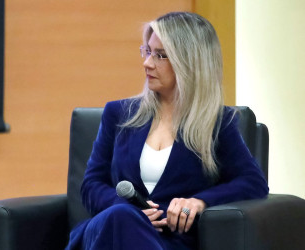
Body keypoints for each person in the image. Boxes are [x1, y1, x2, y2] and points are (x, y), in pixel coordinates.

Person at [66, 12, 269, 250]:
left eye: (160, 56)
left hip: (170, 242)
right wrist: (128, 209)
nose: (147, 63)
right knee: (121, 217)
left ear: (189, 62)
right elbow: (91, 184)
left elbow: (253, 182)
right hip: (107, 233)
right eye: (148, 51)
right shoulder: (119, 114)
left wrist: (201, 201)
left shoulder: (217, 122)